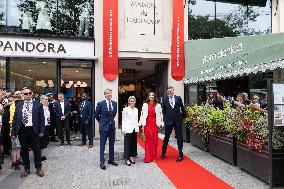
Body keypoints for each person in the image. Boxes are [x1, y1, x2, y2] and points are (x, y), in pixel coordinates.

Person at [11, 88, 45, 178]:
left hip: (34, 130)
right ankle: (27, 169)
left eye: (30, 93)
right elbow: (15, 119)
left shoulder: (38, 105)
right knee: (24, 150)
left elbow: (42, 119)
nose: (28, 95)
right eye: (26, 93)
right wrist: (13, 133)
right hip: (22, 130)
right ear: (23, 95)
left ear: (32, 94)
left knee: (37, 150)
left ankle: (38, 168)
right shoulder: (18, 105)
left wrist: (42, 131)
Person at [161, 86, 186, 162]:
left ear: (173, 91)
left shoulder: (178, 98)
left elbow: (182, 108)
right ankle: (163, 152)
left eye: (170, 91)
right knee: (166, 137)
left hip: (177, 121)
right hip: (168, 121)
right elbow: (164, 111)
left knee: (179, 137)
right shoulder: (165, 100)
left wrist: (183, 117)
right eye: (168, 91)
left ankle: (180, 154)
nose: (169, 92)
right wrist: (166, 118)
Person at [95, 89, 118, 170]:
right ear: (105, 95)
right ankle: (102, 162)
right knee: (102, 145)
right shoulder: (100, 104)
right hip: (103, 128)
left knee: (112, 145)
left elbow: (114, 114)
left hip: (112, 128)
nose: (109, 94)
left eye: (110, 93)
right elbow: (96, 115)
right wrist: (101, 122)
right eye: (107, 93)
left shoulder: (115, 103)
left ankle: (111, 160)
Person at [140, 92, 164, 163]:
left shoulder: (158, 105)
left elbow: (161, 115)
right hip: (147, 123)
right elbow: (142, 115)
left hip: (155, 123)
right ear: (148, 96)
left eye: (152, 95)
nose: (151, 96)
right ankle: (148, 157)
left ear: (154, 96)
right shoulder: (145, 105)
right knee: (148, 141)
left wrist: (161, 124)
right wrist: (142, 125)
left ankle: (153, 157)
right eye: (150, 95)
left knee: (154, 141)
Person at [122, 96, 139, 166]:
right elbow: (123, 120)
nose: (132, 102)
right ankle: (126, 158)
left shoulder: (136, 109)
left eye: (133, 101)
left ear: (135, 102)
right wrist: (124, 130)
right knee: (127, 144)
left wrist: (137, 129)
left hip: (134, 128)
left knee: (133, 144)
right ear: (129, 102)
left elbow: (136, 119)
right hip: (128, 129)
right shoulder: (125, 109)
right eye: (131, 101)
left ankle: (131, 156)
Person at [9, 93, 22, 170]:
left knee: (18, 147)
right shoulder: (13, 106)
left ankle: (18, 160)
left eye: (19, 97)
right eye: (16, 97)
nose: (18, 99)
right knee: (14, 147)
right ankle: (14, 163)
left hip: (19, 130)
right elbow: (14, 120)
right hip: (14, 130)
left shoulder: (19, 106)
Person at [40, 95, 50, 161]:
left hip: (47, 125)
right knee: (40, 142)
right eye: (45, 99)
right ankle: (39, 156)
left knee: (44, 142)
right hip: (41, 127)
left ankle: (41, 155)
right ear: (41, 100)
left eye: (47, 99)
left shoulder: (47, 107)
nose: (46, 101)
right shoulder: (39, 107)